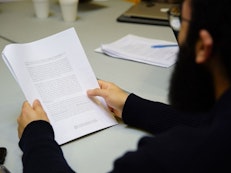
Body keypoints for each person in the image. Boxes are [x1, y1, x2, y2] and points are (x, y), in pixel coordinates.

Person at [17, 0, 231, 172]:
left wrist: (36, 138)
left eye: (180, 21)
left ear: (203, 45)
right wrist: (131, 105)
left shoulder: (167, 160)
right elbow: (210, 122)